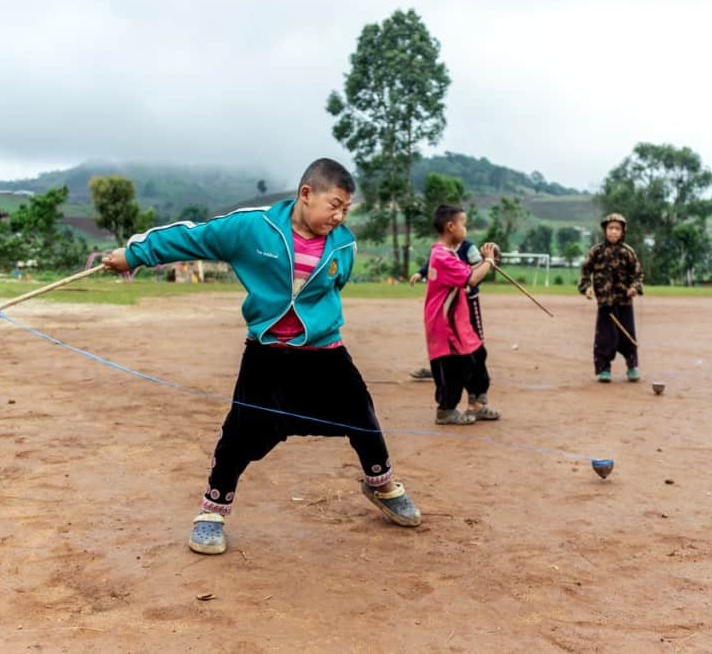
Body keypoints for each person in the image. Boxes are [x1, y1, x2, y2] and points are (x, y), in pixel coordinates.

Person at [102, 158, 421, 555]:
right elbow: (193, 237)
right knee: (240, 433)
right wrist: (134, 255)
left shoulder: (344, 245)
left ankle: (382, 486)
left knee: (363, 418)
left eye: (346, 209)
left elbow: (333, 286)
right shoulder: (253, 228)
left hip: (325, 353)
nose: (339, 216)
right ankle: (212, 513)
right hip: (267, 354)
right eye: (333, 205)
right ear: (306, 194)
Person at [422, 204, 499, 425]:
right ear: (450, 226)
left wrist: (484, 261)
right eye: (463, 224)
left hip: (458, 323)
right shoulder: (442, 257)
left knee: (475, 358)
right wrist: (489, 262)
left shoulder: (450, 254)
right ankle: (446, 409)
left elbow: (468, 273)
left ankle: (476, 404)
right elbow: (471, 279)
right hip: (445, 324)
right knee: (454, 366)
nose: (466, 229)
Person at [577, 213, 644, 383]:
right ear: (605, 230)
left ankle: (632, 366)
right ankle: (604, 369)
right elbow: (585, 270)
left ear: (623, 232)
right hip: (605, 304)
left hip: (624, 302)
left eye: (617, 229)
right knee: (605, 337)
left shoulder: (628, 252)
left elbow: (637, 274)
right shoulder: (597, 251)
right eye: (610, 228)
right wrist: (587, 288)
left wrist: (634, 288)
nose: (613, 232)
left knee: (628, 335)